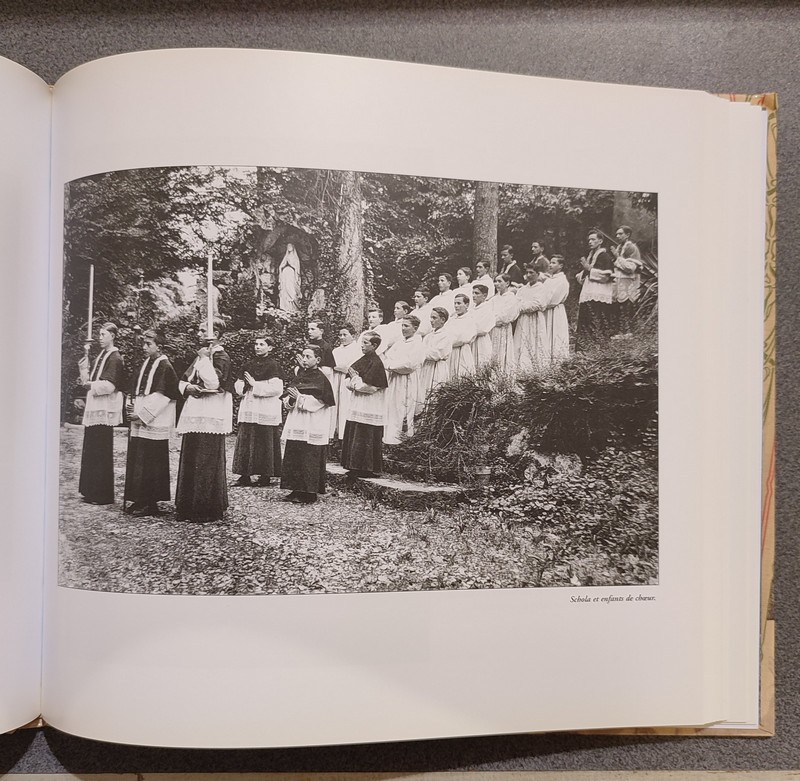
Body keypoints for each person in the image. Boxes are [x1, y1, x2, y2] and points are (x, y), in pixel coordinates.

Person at [175, 321, 234, 523]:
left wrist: (205, 360)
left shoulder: (221, 356)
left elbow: (214, 383)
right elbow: (184, 379)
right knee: (192, 458)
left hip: (211, 413)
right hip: (195, 411)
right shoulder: (201, 355)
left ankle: (206, 508)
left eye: (202, 330)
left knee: (207, 460)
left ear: (215, 333)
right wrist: (187, 388)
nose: (198, 333)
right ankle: (187, 506)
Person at [123, 329, 179, 516]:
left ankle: (151, 501)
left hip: (154, 419)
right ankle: (139, 498)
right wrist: (130, 407)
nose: (144, 347)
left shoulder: (165, 366)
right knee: (139, 458)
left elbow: (162, 396)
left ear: (159, 346)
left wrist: (142, 415)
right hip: (139, 417)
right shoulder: (145, 364)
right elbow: (135, 389)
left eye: (149, 344)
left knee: (152, 460)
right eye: (144, 344)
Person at [280, 345, 336, 504]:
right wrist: (290, 399)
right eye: (303, 356)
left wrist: (299, 398)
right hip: (298, 420)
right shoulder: (300, 375)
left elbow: (320, 402)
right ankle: (295, 488)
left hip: (313, 422)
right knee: (295, 453)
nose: (304, 359)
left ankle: (309, 492)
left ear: (317, 360)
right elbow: (288, 396)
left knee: (309, 456)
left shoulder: (321, 378)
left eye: (308, 357)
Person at [78, 322, 125, 505]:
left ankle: (102, 494)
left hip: (105, 408)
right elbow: (93, 379)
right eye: (99, 334)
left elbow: (110, 385)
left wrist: (90, 385)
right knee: (91, 448)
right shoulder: (102, 355)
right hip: (96, 406)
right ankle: (89, 490)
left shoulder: (115, 357)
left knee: (101, 450)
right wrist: (85, 373)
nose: (100, 337)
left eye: (103, 334)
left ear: (112, 336)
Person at [231, 333, 283, 487]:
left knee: (264, 440)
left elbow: (277, 389)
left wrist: (255, 384)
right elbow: (238, 384)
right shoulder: (248, 365)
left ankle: (265, 475)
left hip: (266, 408)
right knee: (246, 439)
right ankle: (244, 475)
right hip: (250, 405)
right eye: (256, 344)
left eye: (262, 344)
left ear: (270, 347)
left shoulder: (274, 365)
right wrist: (243, 386)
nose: (258, 347)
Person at [340, 331, 388, 476]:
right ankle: (354, 466)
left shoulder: (376, 363)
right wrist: (353, 381)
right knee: (356, 432)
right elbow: (348, 379)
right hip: (358, 403)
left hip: (370, 405)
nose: (362, 345)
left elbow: (371, 388)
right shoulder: (362, 360)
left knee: (366, 435)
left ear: (374, 345)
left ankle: (367, 469)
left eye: (366, 343)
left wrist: (355, 381)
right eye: (362, 342)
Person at [383, 315, 425, 445]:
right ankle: (388, 439)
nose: (403, 328)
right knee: (392, 407)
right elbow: (387, 357)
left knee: (403, 408)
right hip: (394, 379)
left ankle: (401, 441)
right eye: (402, 325)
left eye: (406, 326)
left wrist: (392, 366)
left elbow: (409, 365)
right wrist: (391, 365)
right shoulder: (400, 342)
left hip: (407, 380)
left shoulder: (418, 344)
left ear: (415, 328)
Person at [576, 229, 615, 350]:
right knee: (586, 321)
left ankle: (596, 350)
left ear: (600, 241)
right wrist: (584, 271)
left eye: (593, 239)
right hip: (589, 293)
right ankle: (584, 349)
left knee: (596, 321)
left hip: (598, 295)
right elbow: (584, 275)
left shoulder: (604, 256)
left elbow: (606, 276)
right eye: (589, 240)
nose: (590, 242)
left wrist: (588, 269)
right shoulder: (591, 256)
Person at [513, 262, 549, 373]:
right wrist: (520, 306)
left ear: (538, 274)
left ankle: (536, 368)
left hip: (535, 318)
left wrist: (522, 306)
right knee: (521, 340)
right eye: (527, 272)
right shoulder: (522, 289)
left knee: (535, 340)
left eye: (531, 272)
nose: (528, 275)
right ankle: (521, 367)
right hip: (523, 319)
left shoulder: (542, 288)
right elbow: (516, 303)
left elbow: (538, 304)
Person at [417, 307, 453, 414]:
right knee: (423, 393)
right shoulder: (428, 336)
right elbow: (422, 351)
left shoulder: (446, 336)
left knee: (434, 392)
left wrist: (424, 352)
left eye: (434, 318)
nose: (431, 320)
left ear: (442, 320)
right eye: (430, 317)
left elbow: (436, 354)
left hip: (437, 368)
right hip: (426, 367)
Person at [331, 323, 362, 440]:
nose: (342, 337)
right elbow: (332, 365)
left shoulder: (357, 349)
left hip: (347, 381)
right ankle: (335, 434)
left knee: (346, 406)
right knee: (336, 406)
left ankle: (345, 436)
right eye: (340, 335)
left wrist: (339, 367)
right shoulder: (336, 350)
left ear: (352, 335)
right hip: (336, 380)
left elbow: (351, 368)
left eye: (345, 334)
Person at [611, 225, 643, 336]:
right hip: (620, 282)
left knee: (627, 306)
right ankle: (620, 332)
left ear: (627, 235)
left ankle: (629, 333)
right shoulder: (620, 247)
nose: (617, 236)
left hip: (629, 282)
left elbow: (630, 268)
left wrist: (617, 257)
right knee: (620, 307)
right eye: (616, 234)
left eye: (620, 234)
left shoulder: (632, 248)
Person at [543, 255, 570, 365]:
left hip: (555, 311)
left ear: (560, 266)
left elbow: (553, 300)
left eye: (554, 263)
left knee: (555, 336)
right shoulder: (549, 280)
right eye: (550, 262)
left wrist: (541, 303)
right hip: (546, 311)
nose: (550, 265)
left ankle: (556, 363)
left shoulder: (562, 281)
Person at [490, 273, 520, 374]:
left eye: (499, 281)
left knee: (502, 351)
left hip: (503, 329)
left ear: (507, 283)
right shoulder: (494, 299)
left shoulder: (511, 298)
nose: (496, 284)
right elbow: (488, 313)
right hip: (492, 329)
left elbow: (507, 315)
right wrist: (492, 321)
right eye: (495, 281)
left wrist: (495, 320)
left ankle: (502, 374)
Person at [447, 292, 477, 378]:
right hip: (450, 352)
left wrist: (450, 341)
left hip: (462, 351)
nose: (456, 306)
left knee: (461, 374)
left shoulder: (470, 320)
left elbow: (464, 338)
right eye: (455, 303)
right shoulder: (451, 320)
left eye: (459, 303)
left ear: (467, 305)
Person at [471, 284, 496, 369]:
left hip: (481, 340)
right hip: (471, 340)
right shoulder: (471, 309)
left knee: (481, 363)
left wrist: (469, 330)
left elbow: (482, 328)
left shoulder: (487, 308)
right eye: (473, 293)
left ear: (484, 295)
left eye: (477, 293)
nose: (474, 295)